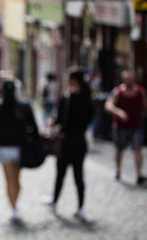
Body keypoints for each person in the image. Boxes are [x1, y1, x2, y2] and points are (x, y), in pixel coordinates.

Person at [45, 68, 94, 221]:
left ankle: (54, 201)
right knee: (79, 176)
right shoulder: (88, 99)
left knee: (61, 174)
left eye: (68, 77)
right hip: (80, 142)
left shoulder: (67, 98)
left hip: (66, 141)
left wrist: (53, 124)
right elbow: (88, 120)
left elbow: (59, 119)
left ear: (73, 80)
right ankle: (80, 207)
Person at [0, 80, 38, 224]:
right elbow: (34, 128)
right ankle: (14, 206)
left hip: (5, 147)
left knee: (9, 180)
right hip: (19, 147)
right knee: (16, 180)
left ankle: (14, 207)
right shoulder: (24, 107)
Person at [104, 70, 147, 185]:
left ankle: (138, 175)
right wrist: (118, 112)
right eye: (127, 78)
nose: (129, 80)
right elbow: (108, 105)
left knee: (138, 149)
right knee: (119, 149)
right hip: (120, 127)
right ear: (123, 79)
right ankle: (118, 171)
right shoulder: (118, 92)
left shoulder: (139, 92)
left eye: (131, 78)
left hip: (136, 126)